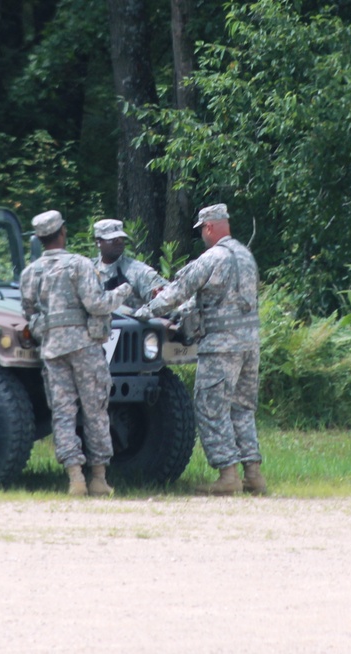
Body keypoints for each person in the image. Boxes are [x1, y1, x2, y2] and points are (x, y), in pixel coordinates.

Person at [133, 204, 265, 495]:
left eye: (202, 231)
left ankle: (227, 475)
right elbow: (219, 299)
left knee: (210, 407)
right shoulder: (246, 256)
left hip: (220, 347)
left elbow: (176, 292)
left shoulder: (212, 258)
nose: (203, 237)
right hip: (249, 345)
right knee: (242, 409)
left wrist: (144, 311)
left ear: (209, 228)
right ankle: (253, 474)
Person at [21, 210, 132, 496]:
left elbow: (29, 313)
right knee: (95, 410)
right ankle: (98, 478)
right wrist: (122, 292)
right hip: (85, 347)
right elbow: (96, 305)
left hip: (53, 349)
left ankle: (74, 479)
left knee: (63, 412)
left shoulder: (30, 272)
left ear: (39, 238)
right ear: (62, 233)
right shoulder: (80, 265)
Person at [92, 218, 167, 308]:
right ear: (98, 243)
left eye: (121, 239)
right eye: (113, 239)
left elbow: (166, 297)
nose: (119, 242)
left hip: (130, 321)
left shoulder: (137, 271)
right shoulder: (87, 269)